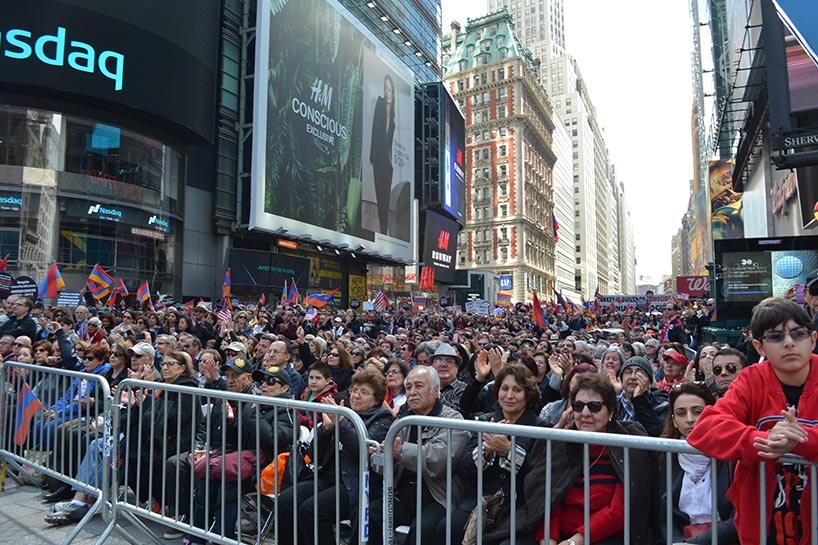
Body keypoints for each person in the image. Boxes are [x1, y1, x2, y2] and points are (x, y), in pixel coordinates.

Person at [688, 297, 818, 545]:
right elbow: (705, 429)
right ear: (759, 347)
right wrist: (764, 440)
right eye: (776, 336)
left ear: (812, 339)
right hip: (761, 526)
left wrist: (799, 440)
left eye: (798, 334)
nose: (789, 343)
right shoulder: (751, 380)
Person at [482, 374, 658, 545]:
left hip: (604, 535)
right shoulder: (563, 442)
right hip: (557, 532)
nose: (585, 413)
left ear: (610, 411)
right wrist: (548, 539)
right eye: (579, 406)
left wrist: (575, 541)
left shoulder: (629, 441)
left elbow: (620, 511)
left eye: (595, 406)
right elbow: (548, 498)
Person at [277, 369, 392, 545]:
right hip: (328, 477)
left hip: (354, 484)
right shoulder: (344, 413)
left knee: (312, 510)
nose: (356, 396)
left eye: (364, 392)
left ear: (376, 400)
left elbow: (361, 451)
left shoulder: (382, 420)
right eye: (354, 390)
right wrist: (326, 429)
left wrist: (340, 423)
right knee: (285, 501)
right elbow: (313, 455)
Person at [456, 364, 545, 545]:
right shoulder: (483, 421)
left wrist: (508, 450)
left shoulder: (540, 427)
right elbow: (464, 469)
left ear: (528, 394)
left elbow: (538, 473)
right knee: (448, 527)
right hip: (479, 500)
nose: (510, 396)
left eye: (517, 390)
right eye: (505, 389)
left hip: (519, 505)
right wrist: (486, 450)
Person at [385, 366, 470, 545]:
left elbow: (439, 461)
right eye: (408, 388)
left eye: (419, 386)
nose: (412, 392)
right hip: (402, 493)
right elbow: (381, 465)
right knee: (372, 514)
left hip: (438, 496)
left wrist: (400, 451)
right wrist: (381, 454)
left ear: (436, 390)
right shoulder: (403, 421)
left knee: (422, 530)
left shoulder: (453, 420)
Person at [659, 382, 737, 544]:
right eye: (681, 413)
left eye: (697, 412)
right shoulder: (667, 457)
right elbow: (664, 514)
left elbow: (740, 516)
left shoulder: (732, 456)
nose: (689, 419)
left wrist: (695, 544)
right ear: (674, 421)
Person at [614, 356, 669, 437]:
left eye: (639, 372)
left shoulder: (661, 401)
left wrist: (640, 401)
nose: (633, 377)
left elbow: (658, 434)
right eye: (628, 372)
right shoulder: (614, 403)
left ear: (649, 382)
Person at [369, 74, 396, 235]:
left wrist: (391, 161)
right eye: (385, 89)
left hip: (388, 163)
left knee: (385, 196)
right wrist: (372, 155)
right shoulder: (379, 104)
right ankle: (381, 228)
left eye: (390, 90)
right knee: (380, 195)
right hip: (378, 159)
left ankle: (384, 229)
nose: (387, 92)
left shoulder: (393, 117)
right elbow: (374, 130)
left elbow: (390, 143)